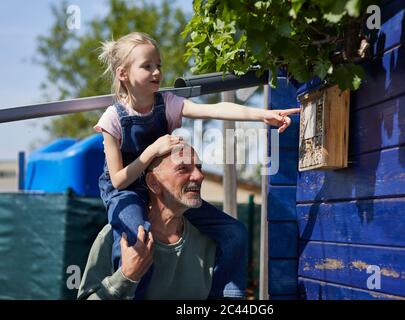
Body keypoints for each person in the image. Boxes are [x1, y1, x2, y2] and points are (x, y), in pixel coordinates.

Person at [94, 31, 299, 299]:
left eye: (159, 66)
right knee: (135, 240)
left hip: (164, 188)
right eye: (147, 66)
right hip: (126, 189)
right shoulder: (112, 119)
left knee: (234, 232)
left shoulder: (165, 103)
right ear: (123, 74)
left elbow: (215, 110)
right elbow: (119, 179)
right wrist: (153, 151)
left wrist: (264, 115)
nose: (157, 72)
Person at [78, 145, 241, 299]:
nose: (199, 176)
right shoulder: (117, 236)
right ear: (153, 183)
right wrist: (126, 277)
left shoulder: (212, 240)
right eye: (183, 168)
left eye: (199, 167)